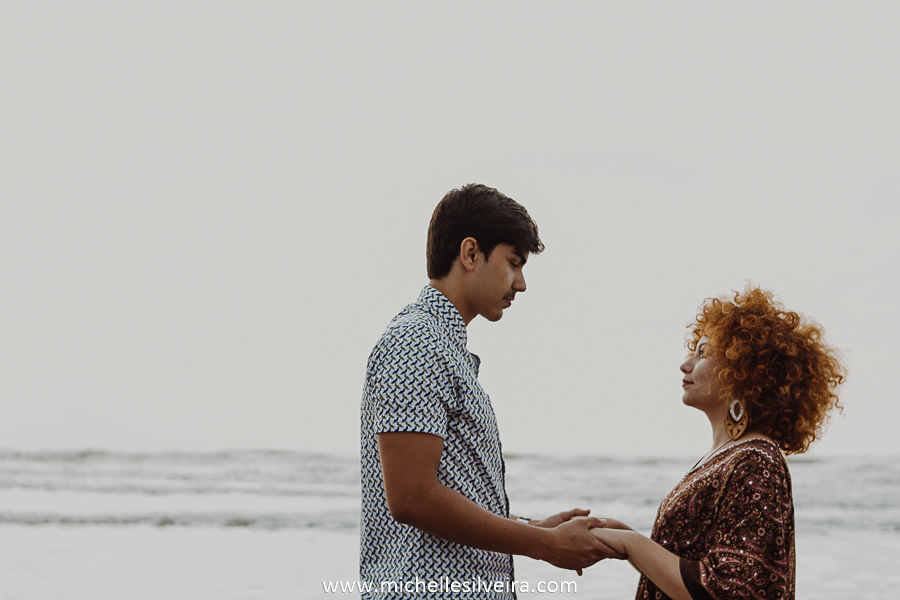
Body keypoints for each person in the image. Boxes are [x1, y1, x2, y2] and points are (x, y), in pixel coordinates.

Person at [360, 184, 618, 599]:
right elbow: (412, 497)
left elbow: (450, 492)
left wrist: (532, 528)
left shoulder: (443, 347)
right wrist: (547, 546)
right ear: (469, 253)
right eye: (513, 263)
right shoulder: (414, 343)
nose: (521, 284)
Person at [588, 286, 845, 600]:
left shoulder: (756, 461)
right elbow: (695, 563)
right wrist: (625, 538)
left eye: (703, 353)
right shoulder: (725, 458)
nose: (686, 364)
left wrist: (632, 545)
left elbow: (727, 589)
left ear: (744, 372)